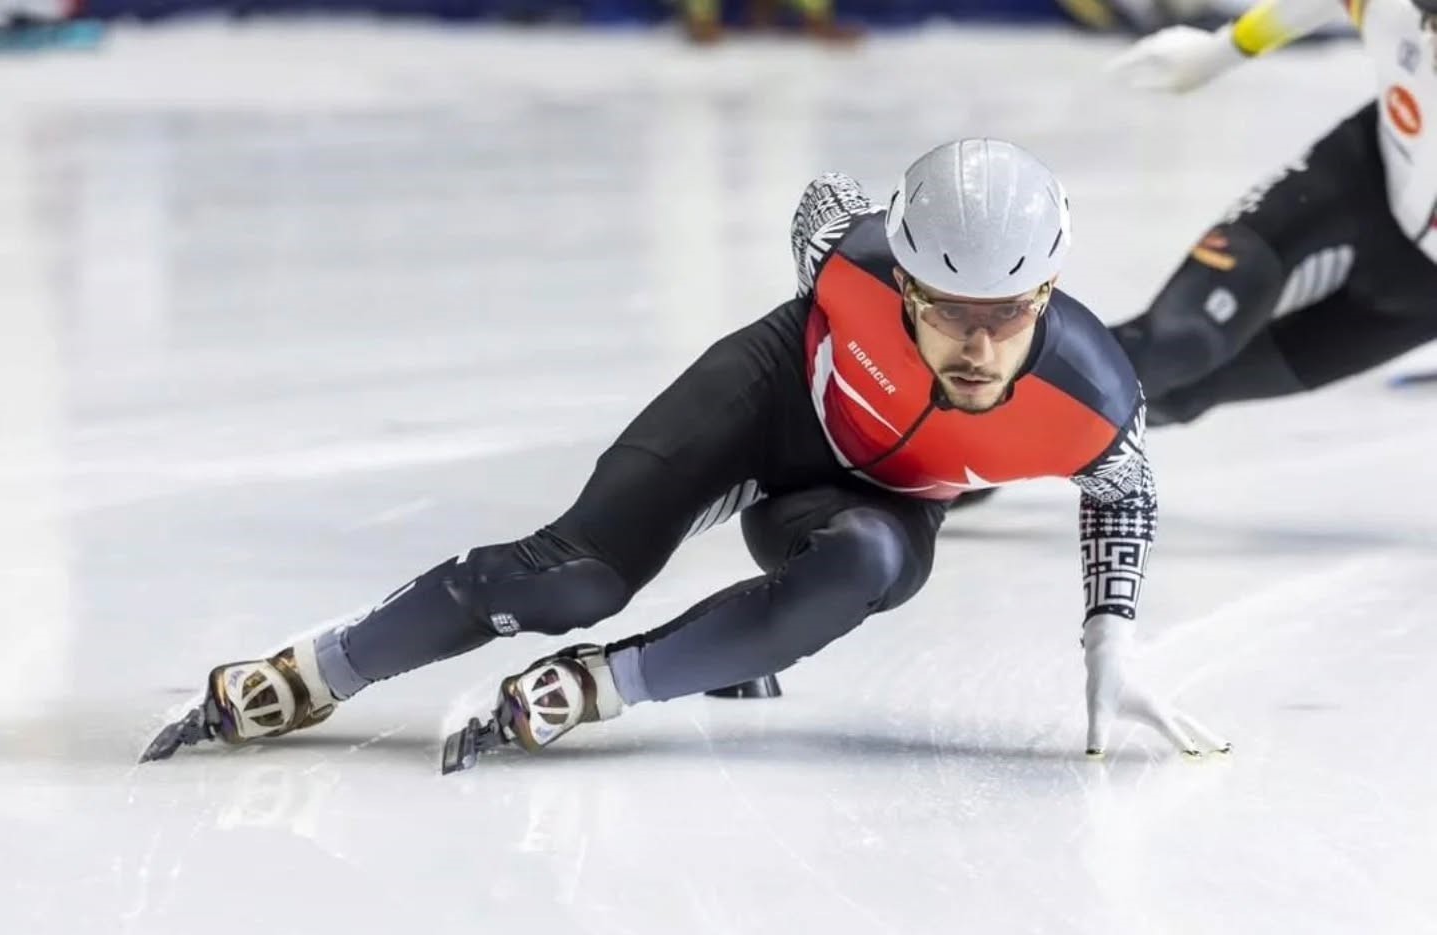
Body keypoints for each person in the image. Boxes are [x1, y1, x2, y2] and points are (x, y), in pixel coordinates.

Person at [141, 139, 1227, 771]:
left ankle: (606, 685)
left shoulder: (1090, 396)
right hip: (763, 401)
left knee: (868, 568)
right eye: (947, 311)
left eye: (1009, 312)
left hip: (869, 504)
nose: (981, 345)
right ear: (900, 281)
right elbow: (816, 202)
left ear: (1046, 293)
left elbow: (1123, 495)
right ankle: (312, 667)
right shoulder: (844, 262)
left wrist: (1108, 641)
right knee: (571, 575)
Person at [1100, 0, 1437, 425]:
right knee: (1175, 345)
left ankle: (1004, 446)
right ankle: (993, 433)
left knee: (1181, 396)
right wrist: (1221, 51)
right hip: (1360, 178)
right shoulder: (1393, 13)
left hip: (1423, 296)